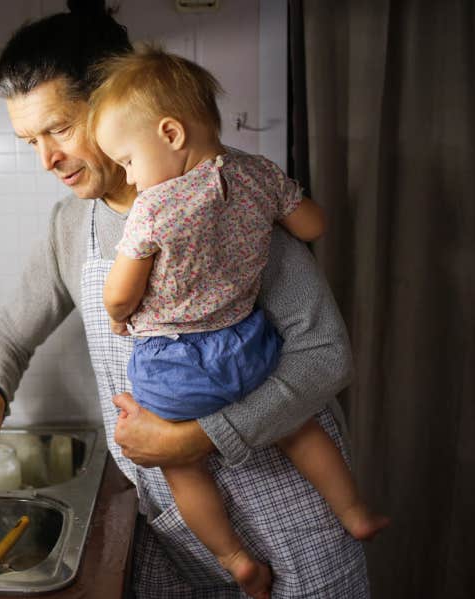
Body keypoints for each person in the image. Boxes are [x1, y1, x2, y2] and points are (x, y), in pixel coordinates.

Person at [0, 1, 370, 596]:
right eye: (30, 140)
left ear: (114, 98)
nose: (47, 160)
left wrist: (197, 438)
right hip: (177, 525)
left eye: (58, 128)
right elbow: (10, 327)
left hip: (288, 512)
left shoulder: (230, 195)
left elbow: (326, 355)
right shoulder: (71, 225)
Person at [86, 46, 389, 596]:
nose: (128, 175)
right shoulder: (259, 174)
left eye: (128, 160)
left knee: (181, 469)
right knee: (300, 428)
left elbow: (119, 294)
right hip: (247, 343)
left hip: (175, 362)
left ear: (171, 134)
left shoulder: (152, 207)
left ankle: (234, 558)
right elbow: (313, 224)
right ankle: (354, 510)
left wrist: (117, 316)